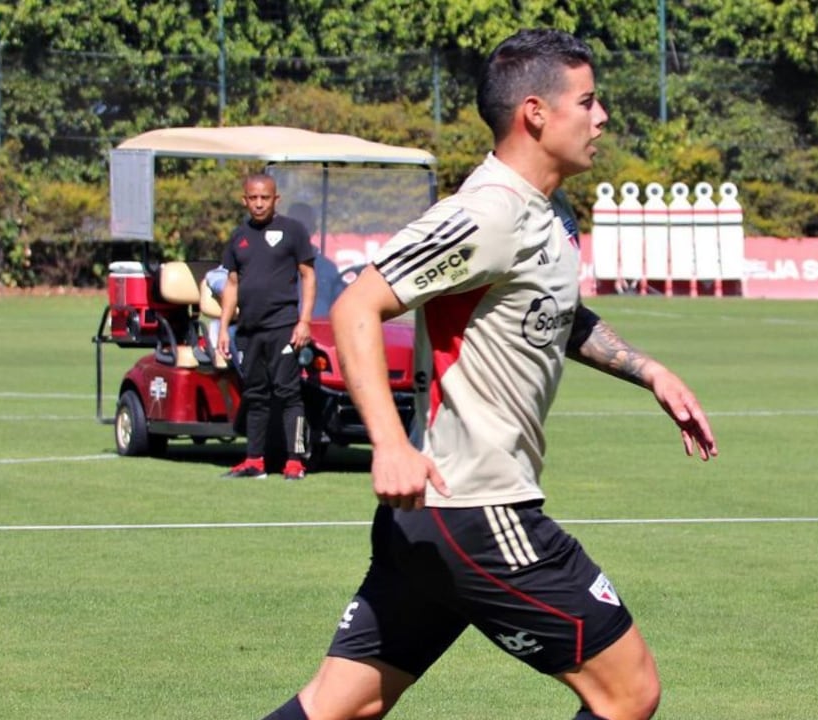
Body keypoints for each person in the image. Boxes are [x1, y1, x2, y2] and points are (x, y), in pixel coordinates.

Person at [261, 29, 717, 720]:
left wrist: (650, 371)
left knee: (338, 706)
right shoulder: (487, 213)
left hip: (434, 519)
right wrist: (388, 443)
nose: (602, 119)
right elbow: (358, 304)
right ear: (536, 112)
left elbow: (557, 313)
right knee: (629, 691)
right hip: (477, 508)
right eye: (588, 102)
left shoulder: (548, 213)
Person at [217, 174, 317, 481]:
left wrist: (304, 320)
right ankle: (254, 461)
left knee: (288, 394)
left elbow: (308, 277)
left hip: (283, 327)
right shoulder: (238, 237)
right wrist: (224, 328)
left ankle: (295, 462)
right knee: (255, 395)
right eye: (253, 198)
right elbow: (232, 284)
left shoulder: (293, 231)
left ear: (276, 200)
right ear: (244, 200)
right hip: (249, 331)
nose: (259, 203)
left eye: (265, 198)